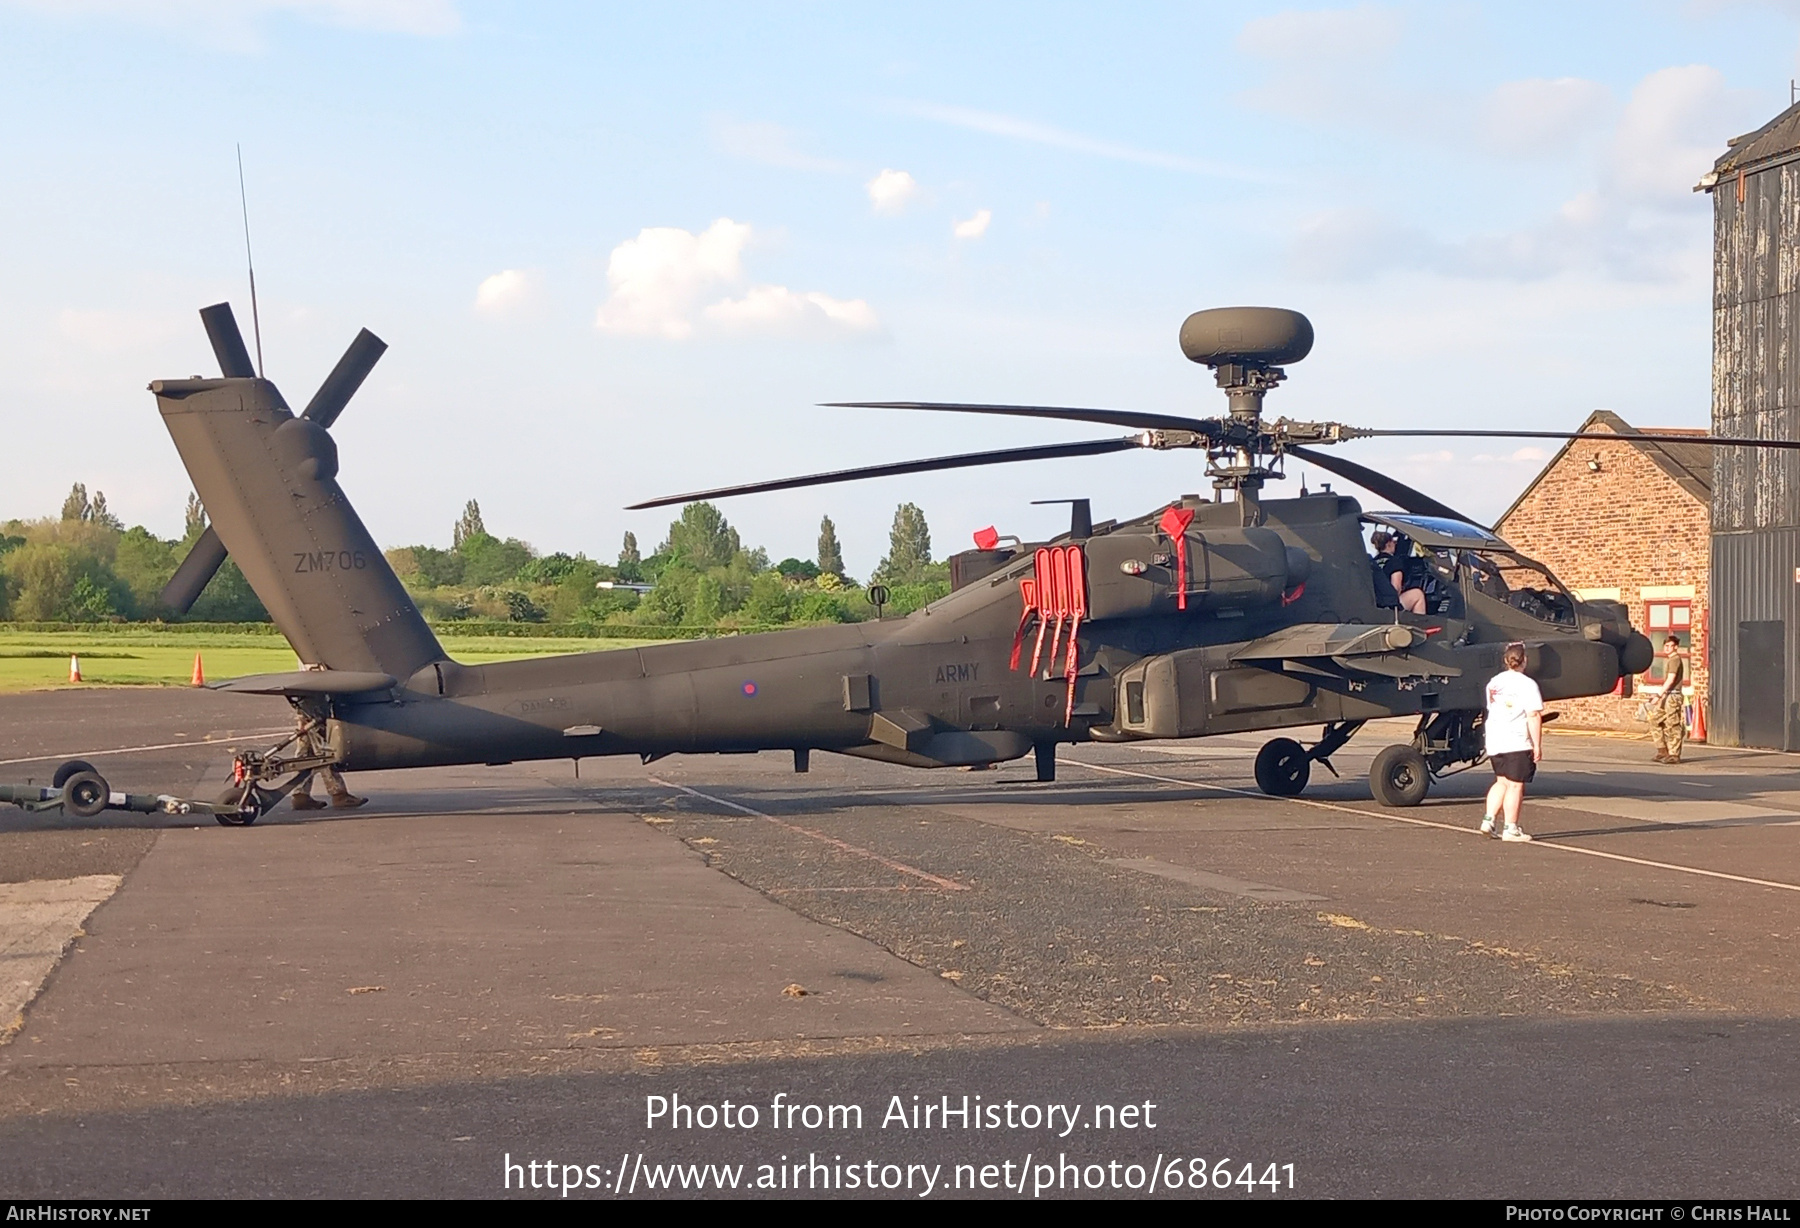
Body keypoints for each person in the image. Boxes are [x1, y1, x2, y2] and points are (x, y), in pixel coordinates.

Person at [1480, 641, 1543, 843]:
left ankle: (1488, 820)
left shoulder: (1494, 682)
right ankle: (1511, 828)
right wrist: (1537, 745)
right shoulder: (1528, 684)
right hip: (1516, 740)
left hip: (1495, 738)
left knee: (1502, 781)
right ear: (1524, 660)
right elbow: (1533, 715)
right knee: (1516, 786)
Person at [1648, 634, 1688, 765]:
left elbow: (1671, 679)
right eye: (1666, 645)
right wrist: (1661, 696)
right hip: (1667, 695)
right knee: (1655, 720)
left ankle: (1674, 754)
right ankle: (1662, 751)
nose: (1667, 648)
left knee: (1673, 725)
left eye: (1671, 646)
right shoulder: (1670, 660)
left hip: (1673, 696)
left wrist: (1659, 695)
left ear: (1676, 647)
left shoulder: (1675, 660)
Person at [1370, 531, 1427, 614]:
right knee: (1418, 594)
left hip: (1375, 603)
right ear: (1388, 544)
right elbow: (1396, 588)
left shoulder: (1373, 562)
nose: (1395, 544)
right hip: (1389, 605)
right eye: (1393, 542)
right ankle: (1418, 624)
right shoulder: (1395, 562)